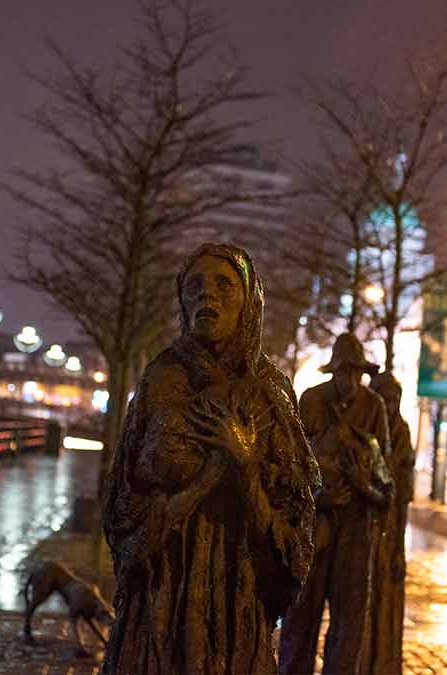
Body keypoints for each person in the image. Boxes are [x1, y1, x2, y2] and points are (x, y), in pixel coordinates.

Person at [101, 243, 320, 675]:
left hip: (237, 584)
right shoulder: (162, 376)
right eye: (195, 286)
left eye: (224, 284)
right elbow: (126, 490)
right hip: (166, 583)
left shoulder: (271, 390)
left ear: (250, 300)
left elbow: (294, 508)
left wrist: (244, 464)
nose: (208, 296)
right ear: (182, 299)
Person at [279, 333, 391, 675]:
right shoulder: (311, 401)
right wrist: (318, 497)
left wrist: (362, 486)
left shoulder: (374, 407)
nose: (351, 381)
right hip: (315, 527)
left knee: (349, 625)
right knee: (300, 621)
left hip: (357, 531)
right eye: (345, 373)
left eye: (358, 374)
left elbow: (385, 482)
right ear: (334, 371)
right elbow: (290, 466)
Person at [361, 372, 415, 673]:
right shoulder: (365, 429)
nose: (391, 405)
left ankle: (383, 663)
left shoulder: (402, 433)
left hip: (390, 528)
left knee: (387, 599)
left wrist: (399, 550)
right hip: (365, 525)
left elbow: (403, 495)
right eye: (386, 398)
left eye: (395, 399)